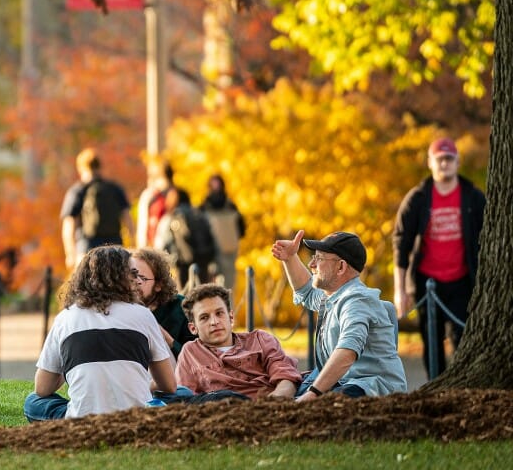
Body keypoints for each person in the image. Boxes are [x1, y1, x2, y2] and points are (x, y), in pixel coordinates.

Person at [23, 245, 178, 421]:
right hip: (137, 418)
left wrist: (69, 363)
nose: (137, 280)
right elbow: (169, 385)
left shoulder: (65, 318)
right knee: (182, 392)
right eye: (132, 273)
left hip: (80, 420)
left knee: (33, 401)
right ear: (119, 278)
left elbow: (42, 388)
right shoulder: (143, 315)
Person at [271, 230, 407, 399]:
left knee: (321, 406)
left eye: (319, 258)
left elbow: (347, 351)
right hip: (344, 381)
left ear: (341, 267)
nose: (312, 264)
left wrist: (312, 394)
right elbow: (306, 292)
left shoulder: (357, 300)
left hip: (371, 385)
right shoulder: (333, 296)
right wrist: (290, 258)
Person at [392, 137, 486, 374]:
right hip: (427, 284)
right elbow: (401, 244)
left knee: (462, 339)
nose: (444, 164)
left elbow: (490, 240)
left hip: (463, 281)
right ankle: (436, 387)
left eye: (449, 159)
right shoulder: (418, 199)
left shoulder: (473, 197)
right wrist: (400, 290)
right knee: (431, 343)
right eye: (439, 159)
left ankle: (461, 388)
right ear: (430, 163)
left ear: (457, 162)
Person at [176, 284, 302, 399]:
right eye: (204, 318)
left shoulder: (260, 340)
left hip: (269, 405)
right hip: (221, 412)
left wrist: (273, 402)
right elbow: (185, 398)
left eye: (219, 313)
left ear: (231, 317)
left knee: (316, 380)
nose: (214, 322)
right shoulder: (190, 353)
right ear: (193, 328)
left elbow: (286, 377)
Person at [60, 148, 133, 270]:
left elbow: (69, 225)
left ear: (80, 168)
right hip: (115, 248)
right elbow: (128, 219)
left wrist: (70, 255)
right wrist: (131, 245)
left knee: (87, 287)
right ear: (100, 166)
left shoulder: (77, 191)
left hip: (87, 248)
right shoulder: (114, 188)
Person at [129, 248, 196, 357]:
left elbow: (195, 361)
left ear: (158, 285)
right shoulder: (121, 308)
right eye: (131, 277)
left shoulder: (182, 308)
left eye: (142, 278)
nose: (134, 283)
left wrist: (166, 338)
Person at [200, 174, 247, 294]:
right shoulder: (231, 206)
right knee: (227, 288)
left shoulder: (204, 207)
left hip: (218, 253)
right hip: (222, 252)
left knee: (212, 289)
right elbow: (242, 231)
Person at [135, 159, 189, 249]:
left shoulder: (150, 195)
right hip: (180, 248)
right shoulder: (181, 194)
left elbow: (143, 226)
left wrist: (141, 248)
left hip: (156, 247)